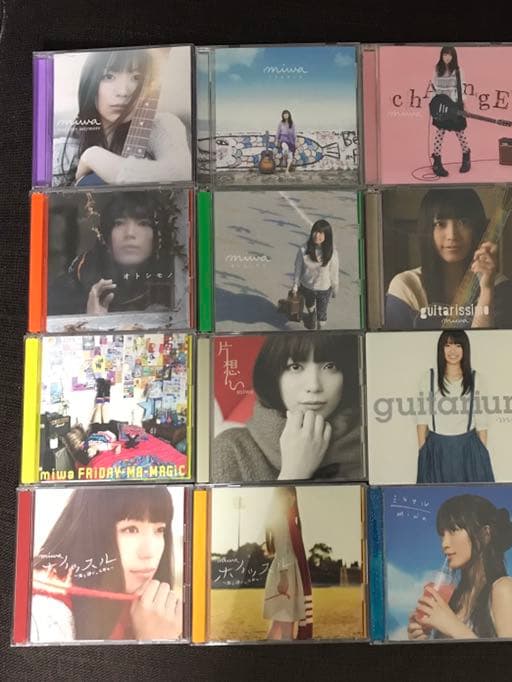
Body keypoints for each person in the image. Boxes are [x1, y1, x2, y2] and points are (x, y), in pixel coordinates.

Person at [30, 486, 182, 642]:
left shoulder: (151, 608)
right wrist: (154, 642)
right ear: (90, 530)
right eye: (130, 529)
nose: (149, 552)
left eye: (159, 530)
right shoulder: (46, 612)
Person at [212, 334, 363, 482]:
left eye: (330, 366)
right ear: (273, 376)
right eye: (295, 367)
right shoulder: (232, 449)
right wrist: (294, 472)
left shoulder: (369, 443)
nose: (314, 386)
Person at [57, 49, 191, 187]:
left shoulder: (163, 126)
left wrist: (93, 156)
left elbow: (182, 174)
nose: (123, 92)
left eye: (136, 78)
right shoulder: (61, 150)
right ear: (89, 83)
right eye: (109, 76)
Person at [385, 188, 512, 330]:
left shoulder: (498, 285)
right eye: (440, 224)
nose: (452, 235)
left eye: (463, 222)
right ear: (427, 229)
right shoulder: (406, 286)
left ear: (475, 228)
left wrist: (487, 290)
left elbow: (490, 342)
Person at [47, 192, 183, 319]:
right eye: (119, 223)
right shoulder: (66, 290)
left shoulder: (179, 285)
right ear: (106, 234)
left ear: (158, 235)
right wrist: (91, 323)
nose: (130, 233)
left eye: (143, 223)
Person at [407, 494, 512, 640]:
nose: (444, 544)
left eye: (453, 531)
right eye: (442, 535)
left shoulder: (504, 588)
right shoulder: (455, 599)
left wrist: (451, 625)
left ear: (485, 534)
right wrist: (421, 641)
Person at [416, 331, 494, 483]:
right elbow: (421, 421)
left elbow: (482, 424)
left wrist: (480, 456)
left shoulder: (476, 379)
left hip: (469, 450)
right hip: (436, 450)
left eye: (458, 346)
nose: (453, 351)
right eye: (448, 345)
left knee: (474, 496)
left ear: (465, 349)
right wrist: (424, 454)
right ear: (441, 349)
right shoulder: (429, 378)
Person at [263, 487, 313, 640]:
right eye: (285, 494)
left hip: (288, 572)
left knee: (279, 623)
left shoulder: (287, 519)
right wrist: (284, 578)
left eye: (292, 494)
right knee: (286, 626)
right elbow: (282, 550)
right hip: (285, 574)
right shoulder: (281, 519)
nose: (291, 497)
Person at [429, 46, 471, 177]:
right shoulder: (437, 69)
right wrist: (432, 105)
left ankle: (466, 157)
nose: (447, 57)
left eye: (449, 55)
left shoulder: (458, 70)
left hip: (454, 106)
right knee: (439, 133)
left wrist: (464, 105)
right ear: (441, 55)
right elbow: (433, 87)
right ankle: (437, 162)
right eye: (445, 54)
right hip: (440, 106)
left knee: (460, 133)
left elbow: (461, 88)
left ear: (453, 56)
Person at [291, 219, 339, 330]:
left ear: (327, 236)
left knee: (322, 316)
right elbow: (298, 268)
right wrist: (295, 285)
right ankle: (312, 315)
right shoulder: (304, 249)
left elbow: (334, 272)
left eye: (321, 233)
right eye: (315, 232)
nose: (317, 235)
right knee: (309, 305)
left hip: (324, 289)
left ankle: (319, 331)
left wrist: (335, 288)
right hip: (307, 286)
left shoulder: (332, 253)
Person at [276, 110, 296, 174]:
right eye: (284, 114)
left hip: (291, 141)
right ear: (282, 115)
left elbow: (294, 133)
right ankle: (284, 158)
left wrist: (295, 142)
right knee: (285, 149)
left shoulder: (292, 123)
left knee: (290, 156)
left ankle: (287, 170)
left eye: (287, 114)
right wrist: (277, 140)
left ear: (289, 115)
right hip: (283, 139)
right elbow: (278, 132)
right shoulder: (281, 123)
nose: (285, 115)